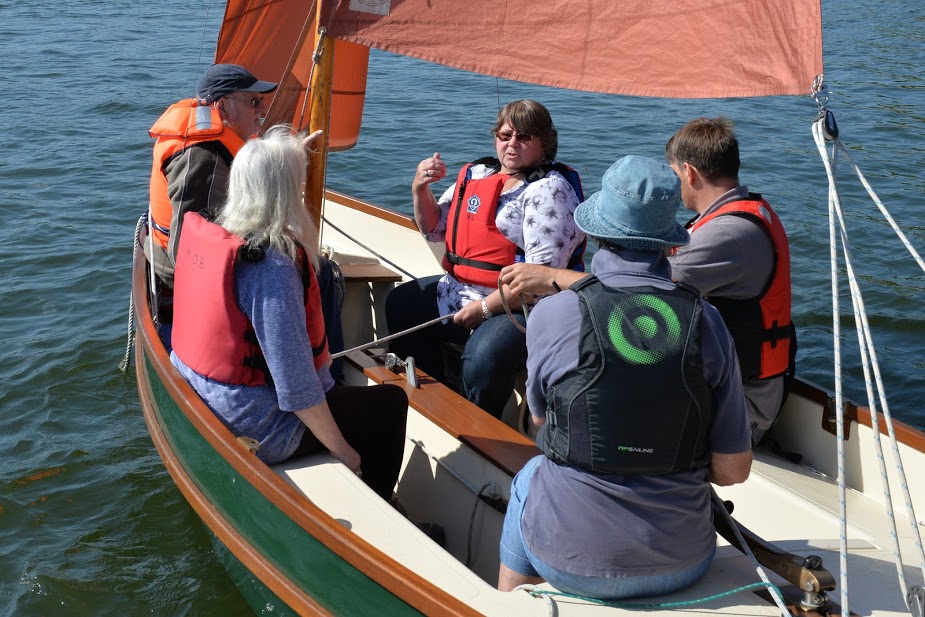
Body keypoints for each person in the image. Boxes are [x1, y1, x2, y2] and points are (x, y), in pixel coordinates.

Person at [497, 155, 752, 599]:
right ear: (668, 244)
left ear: (594, 233)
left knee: (531, 475)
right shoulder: (707, 322)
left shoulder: (555, 314)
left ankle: (510, 604)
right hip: (684, 560)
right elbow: (733, 470)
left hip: (569, 559)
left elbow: (541, 423)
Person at [499, 117, 793, 443]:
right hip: (724, 386)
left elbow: (633, 284)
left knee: (557, 415)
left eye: (674, 173)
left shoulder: (729, 234)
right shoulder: (743, 213)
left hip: (741, 409)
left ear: (690, 173)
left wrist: (550, 276)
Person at [169, 126, 408, 501]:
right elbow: (296, 389)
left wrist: (292, 152)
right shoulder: (271, 267)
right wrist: (344, 452)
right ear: (286, 195)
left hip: (201, 397)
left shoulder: (223, 237)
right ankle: (383, 502)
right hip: (255, 424)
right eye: (298, 184)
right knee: (390, 405)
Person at [385, 100, 585, 418]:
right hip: (460, 290)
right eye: (506, 136)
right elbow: (436, 228)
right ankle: (432, 399)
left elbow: (540, 281)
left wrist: (483, 310)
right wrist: (420, 189)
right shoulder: (479, 173)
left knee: (484, 356)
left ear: (544, 144)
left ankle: (479, 421)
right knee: (401, 304)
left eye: (524, 137)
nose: (512, 144)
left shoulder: (549, 192)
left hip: (522, 307)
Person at [145, 63, 278, 287]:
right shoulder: (204, 157)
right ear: (223, 107)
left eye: (262, 102)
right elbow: (189, 253)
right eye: (254, 102)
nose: (262, 111)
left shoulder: (219, 143)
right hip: (178, 274)